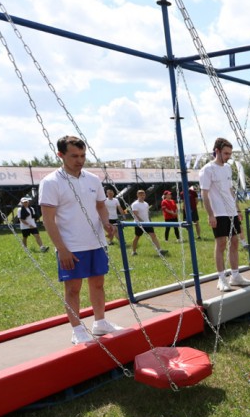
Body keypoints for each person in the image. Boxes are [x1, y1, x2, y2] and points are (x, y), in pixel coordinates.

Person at [39, 135, 125, 345]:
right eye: (74, 156)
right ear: (60, 155)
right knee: (73, 289)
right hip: (71, 245)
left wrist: (106, 223)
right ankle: (77, 330)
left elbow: (100, 206)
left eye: (83, 155)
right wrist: (62, 248)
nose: (80, 160)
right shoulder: (51, 182)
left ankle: (100, 322)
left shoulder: (93, 179)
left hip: (96, 242)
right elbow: (48, 219)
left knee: (98, 284)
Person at [199, 137, 250, 291]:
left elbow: (230, 190)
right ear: (217, 151)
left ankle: (235, 275)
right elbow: (204, 194)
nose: (229, 156)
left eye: (230, 153)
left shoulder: (228, 168)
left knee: (235, 242)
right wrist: (210, 214)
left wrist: (237, 209)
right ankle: (221, 278)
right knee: (221, 244)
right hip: (218, 212)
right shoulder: (207, 169)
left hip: (231, 212)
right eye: (226, 153)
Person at [130, 190, 168, 257]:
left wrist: (150, 222)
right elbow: (135, 215)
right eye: (141, 195)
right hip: (138, 224)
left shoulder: (146, 204)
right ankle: (134, 251)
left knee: (153, 235)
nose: (142, 196)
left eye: (143, 195)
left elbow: (147, 213)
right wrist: (141, 221)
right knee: (137, 237)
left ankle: (160, 250)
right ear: (137, 195)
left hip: (147, 223)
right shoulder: (135, 204)